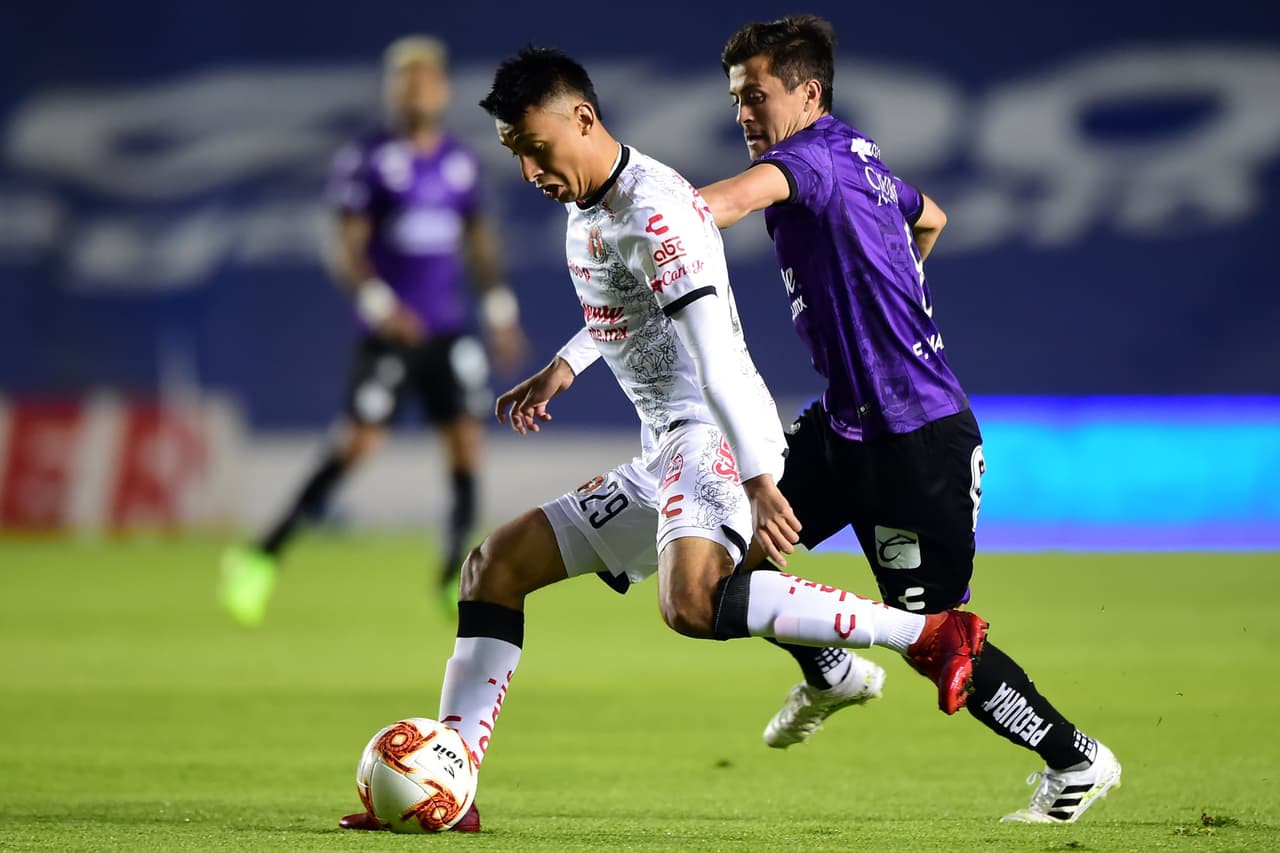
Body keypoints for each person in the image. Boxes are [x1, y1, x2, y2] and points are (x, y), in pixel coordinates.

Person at [339, 45, 988, 833]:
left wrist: (755, 476)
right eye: (515, 155)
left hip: (712, 438)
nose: (530, 172)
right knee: (493, 567)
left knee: (689, 601)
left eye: (535, 148)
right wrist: (566, 366)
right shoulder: (593, 210)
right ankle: (458, 788)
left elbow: (714, 351)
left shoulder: (657, 208)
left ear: (582, 119)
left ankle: (926, 633)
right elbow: (625, 305)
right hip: (668, 446)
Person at [696, 15, 1122, 824]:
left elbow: (718, 205)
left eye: (756, 97)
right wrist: (886, 291)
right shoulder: (860, 156)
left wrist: (636, 205)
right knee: (725, 549)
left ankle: (1076, 760)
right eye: (735, 101)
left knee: (939, 639)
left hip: (918, 443)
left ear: (807, 92)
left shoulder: (809, 159)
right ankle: (830, 668)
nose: (743, 116)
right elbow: (933, 218)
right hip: (845, 428)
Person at [219, 35, 528, 625]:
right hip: (390, 334)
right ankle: (259, 557)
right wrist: (381, 303)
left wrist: (500, 312)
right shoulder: (367, 161)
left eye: (425, 80)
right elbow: (346, 249)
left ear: (439, 89)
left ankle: (450, 576)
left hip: (447, 330)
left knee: (464, 444)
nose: (416, 91)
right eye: (404, 82)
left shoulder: (458, 162)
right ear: (393, 91)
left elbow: (480, 245)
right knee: (358, 444)